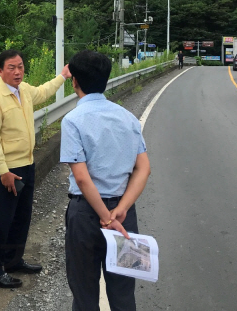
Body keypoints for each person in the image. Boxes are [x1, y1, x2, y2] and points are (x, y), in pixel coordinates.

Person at [60, 50, 150, 311]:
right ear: (106, 79)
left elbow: (82, 177)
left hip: (86, 216)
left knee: (84, 292)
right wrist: (119, 212)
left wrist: (105, 217)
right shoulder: (129, 118)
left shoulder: (72, 121)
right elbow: (143, 169)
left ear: (74, 81)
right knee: (124, 292)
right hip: (125, 216)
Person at [0, 49, 71, 288]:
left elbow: (44, 92)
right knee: (2, 220)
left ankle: (12, 260)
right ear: (0, 71)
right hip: (8, 170)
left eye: (20, 66)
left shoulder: (24, 91)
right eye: (11, 67)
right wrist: (3, 172)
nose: (17, 71)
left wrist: (62, 76)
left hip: (27, 164)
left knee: (21, 218)